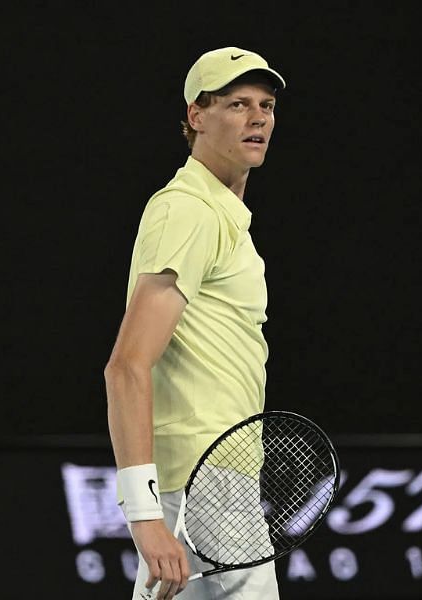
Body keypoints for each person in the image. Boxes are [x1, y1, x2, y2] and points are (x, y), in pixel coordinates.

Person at [104, 46, 285, 600]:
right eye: (236, 103)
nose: (258, 117)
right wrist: (145, 514)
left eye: (266, 105)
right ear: (195, 116)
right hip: (206, 488)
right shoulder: (188, 210)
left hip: (214, 485)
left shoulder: (222, 216)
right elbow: (126, 367)